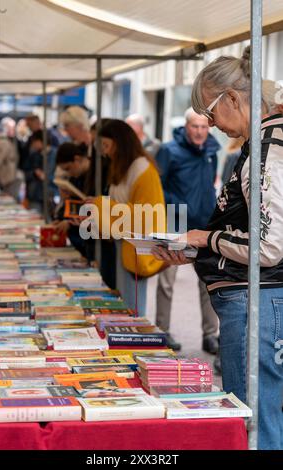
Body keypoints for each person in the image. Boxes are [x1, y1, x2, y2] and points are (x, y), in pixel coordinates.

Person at [152, 46, 283, 450]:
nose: (209, 124)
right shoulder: (260, 145)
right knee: (260, 415)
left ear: (232, 99)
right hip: (252, 299)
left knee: (254, 421)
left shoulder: (266, 149)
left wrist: (202, 239)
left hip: (253, 302)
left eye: (209, 112)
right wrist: (202, 250)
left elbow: (268, 246)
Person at [155, 107, 220, 353]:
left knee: (208, 281)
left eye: (204, 127)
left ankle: (210, 334)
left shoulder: (212, 151)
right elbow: (157, 187)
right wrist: (176, 206)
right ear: (186, 126)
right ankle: (162, 331)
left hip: (204, 226)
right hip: (175, 224)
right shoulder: (168, 151)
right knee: (167, 282)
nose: (200, 132)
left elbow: (210, 184)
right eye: (195, 126)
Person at [88, 119, 165, 316]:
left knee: (132, 306)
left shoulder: (142, 170)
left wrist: (101, 204)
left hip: (135, 246)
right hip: (124, 244)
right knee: (126, 302)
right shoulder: (125, 167)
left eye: (106, 145)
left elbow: (145, 213)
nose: (104, 152)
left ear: (119, 143)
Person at [25, 130, 57, 214]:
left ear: (40, 141)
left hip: (50, 196)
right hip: (34, 195)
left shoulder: (55, 155)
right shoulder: (33, 155)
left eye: (34, 142)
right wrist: (34, 173)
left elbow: (58, 178)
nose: (33, 145)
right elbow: (26, 174)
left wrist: (45, 177)